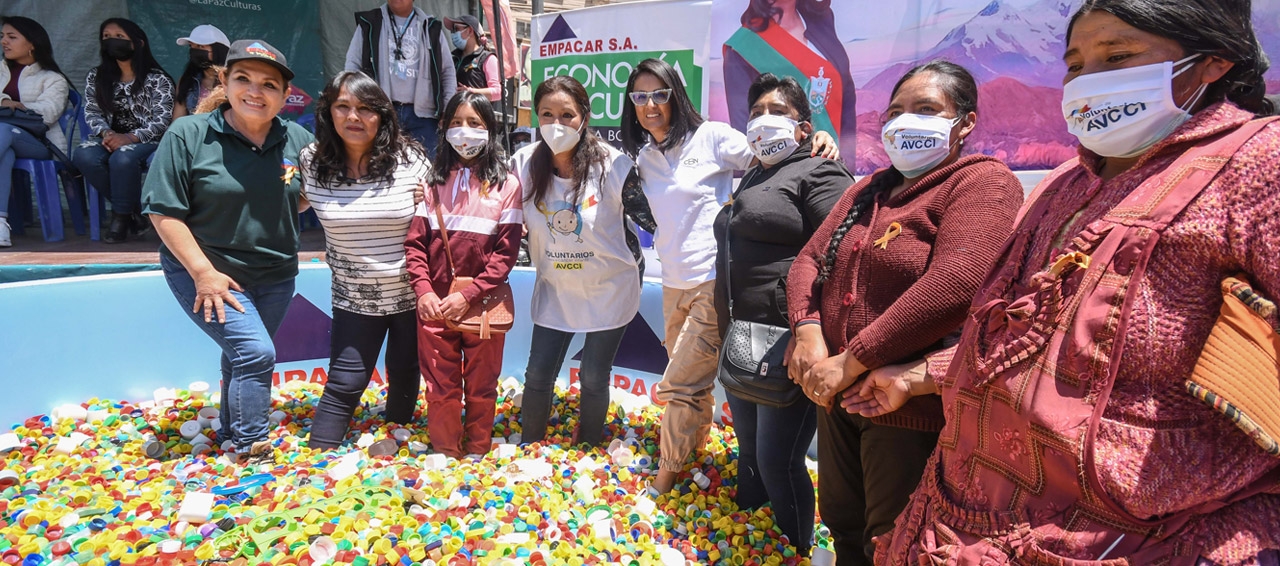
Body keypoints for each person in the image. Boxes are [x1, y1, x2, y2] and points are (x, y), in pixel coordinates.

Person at [867, 1, 1280, 564]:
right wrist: (925, 374)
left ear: (1212, 62)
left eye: (1119, 56)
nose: (1089, 82)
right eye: (1076, 64)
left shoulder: (1259, 166)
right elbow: (1031, 331)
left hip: (1130, 540)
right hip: (963, 518)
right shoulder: (1068, 182)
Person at [786, 61, 1023, 565]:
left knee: (895, 536)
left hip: (906, 400)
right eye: (896, 111)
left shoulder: (982, 183)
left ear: (966, 122)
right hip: (837, 391)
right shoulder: (867, 189)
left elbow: (955, 284)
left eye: (926, 109)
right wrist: (808, 335)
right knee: (843, 520)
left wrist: (852, 360)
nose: (905, 121)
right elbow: (808, 259)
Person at [619, 58, 838, 496]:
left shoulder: (712, 137)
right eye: (640, 97)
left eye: (660, 94)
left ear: (676, 95)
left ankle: (664, 480)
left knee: (678, 383)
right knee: (694, 383)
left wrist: (817, 136)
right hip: (672, 284)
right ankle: (692, 452)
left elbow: (774, 152)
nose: (651, 105)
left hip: (710, 284)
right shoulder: (644, 158)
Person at [142, 40, 313, 465]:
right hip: (207, 272)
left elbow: (311, 194)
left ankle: (232, 430)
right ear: (225, 81)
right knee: (255, 352)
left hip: (275, 273)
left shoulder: (298, 139)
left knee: (242, 354)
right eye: (244, 79)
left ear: (284, 93)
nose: (255, 91)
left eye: (268, 84)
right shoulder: (189, 134)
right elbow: (163, 212)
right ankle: (252, 448)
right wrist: (203, 272)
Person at [711, 73, 855, 557]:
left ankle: (794, 550)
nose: (762, 120)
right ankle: (750, 543)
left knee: (779, 460)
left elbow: (841, 256)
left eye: (776, 111)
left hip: (789, 340)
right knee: (749, 453)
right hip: (741, 335)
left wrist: (808, 330)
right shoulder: (755, 170)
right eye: (755, 112)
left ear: (803, 126)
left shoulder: (819, 169)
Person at [515, 75, 656, 448]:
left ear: (585, 117)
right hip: (557, 288)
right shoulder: (524, 164)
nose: (556, 124)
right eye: (546, 114)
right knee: (538, 373)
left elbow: (656, 217)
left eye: (566, 115)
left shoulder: (614, 166)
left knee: (594, 375)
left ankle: (589, 448)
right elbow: (490, 201)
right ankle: (530, 446)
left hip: (609, 286)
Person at [303, 71, 427, 450]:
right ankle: (316, 458)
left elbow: (437, 217)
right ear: (329, 112)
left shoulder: (411, 159)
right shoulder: (311, 162)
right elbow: (276, 210)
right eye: (343, 107)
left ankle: (397, 444)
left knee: (406, 372)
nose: (354, 117)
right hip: (354, 298)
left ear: (382, 116)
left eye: (366, 109)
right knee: (346, 379)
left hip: (411, 297)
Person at [404, 91, 521, 458]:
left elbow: (505, 255)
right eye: (456, 123)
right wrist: (424, 292)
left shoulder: (508, 186)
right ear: (443, 129)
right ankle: (445, 451)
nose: (464, 132)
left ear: (490, 130)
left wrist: (467, 295)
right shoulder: (430, 184)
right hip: (435, 308)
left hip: (482, 306)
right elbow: (415, 245)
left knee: (482, 384)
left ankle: (477, 451)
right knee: (440, 384)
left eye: (474, 124)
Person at [73, 18, 175, 244]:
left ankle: (120, 218)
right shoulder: (97, 76)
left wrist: (129, 137)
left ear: (138, 43)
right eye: (107, 37)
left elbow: (162, 120)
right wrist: (107, 134)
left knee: (123, 157)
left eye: (119, 37)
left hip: (148, 141)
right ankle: (134, 212)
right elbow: (92, 111)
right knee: (84, 154)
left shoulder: (158, 79)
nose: (112, 41)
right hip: (108, 138)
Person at [723, 0, 857, 167]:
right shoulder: (742, 48)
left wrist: (848, 168)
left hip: (835, 170)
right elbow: (747, 131)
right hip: (784, 177)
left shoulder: (821, 20)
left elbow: (847, 99)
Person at [345, 0, 457, 158]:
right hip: (380, 114)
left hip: (424, 117)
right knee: (381, 169)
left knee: (427, 171)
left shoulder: (431, 27)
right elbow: (352, 66)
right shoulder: (370, 23)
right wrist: (356, 106)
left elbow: (447, 72)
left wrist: (448, 110)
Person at [0, 16, 69, 247]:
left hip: (39, 143)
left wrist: (17, 107)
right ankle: (1, 224)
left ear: (32, 44)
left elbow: (48, 114)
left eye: (11, 37)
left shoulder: (52, 79)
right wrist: (4, 101)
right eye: (2, 37)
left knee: (4, 130)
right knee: (5, 153)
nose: (4, 42)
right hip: (5, 143)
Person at [172, 24, 229, 120]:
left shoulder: (233, 81)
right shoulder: (187, 80)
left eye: (200, 46)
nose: (195, 51)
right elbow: (178, 119)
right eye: (191, 46)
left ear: (218, 50)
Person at [447, 15, 500, 103]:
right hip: (455, 114)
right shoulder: (454, 59)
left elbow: (497, 92)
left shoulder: (488, 58)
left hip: (477, 114)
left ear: (470, 30)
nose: (453, 33)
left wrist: (471, 92)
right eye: (452, 30)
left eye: (456, 29)